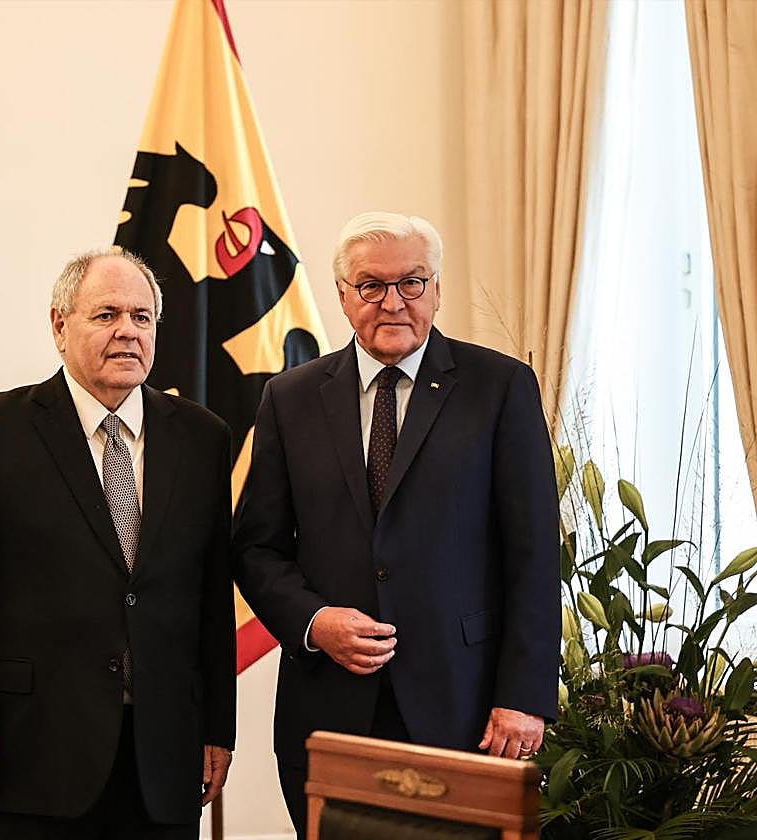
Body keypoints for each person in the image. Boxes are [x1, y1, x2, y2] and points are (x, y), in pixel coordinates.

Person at [232, 212, 559, 837]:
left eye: (412, 283)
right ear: (344, 296)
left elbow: (535, 553)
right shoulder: (290, 397)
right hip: (328, 705)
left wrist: (523, 696)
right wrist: (312, 620)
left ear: (436, 290)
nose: (393, 302)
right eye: (371, 286)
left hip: (465, 704)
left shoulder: (500, 387)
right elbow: (256, 548)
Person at [0, 249, 236, 840]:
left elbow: (211, 598)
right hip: (32, 753)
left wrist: (217, 728)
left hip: (163, 756)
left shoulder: (202, 436)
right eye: (107, 315)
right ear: (60, 325)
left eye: (142, 317)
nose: (127, 331)